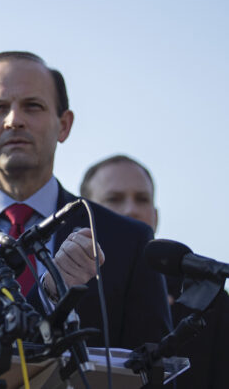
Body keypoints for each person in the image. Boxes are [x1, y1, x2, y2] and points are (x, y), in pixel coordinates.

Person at [0, 51, 172, 350]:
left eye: (32, 106)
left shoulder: (128, 240)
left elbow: (154, 369)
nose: (14, 120)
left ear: (64, 125)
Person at [81, 154, 229, 388]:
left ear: (156, 216)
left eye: (142, 199)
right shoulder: (67, 291)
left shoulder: (208, 301)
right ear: (85, 215)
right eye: (114, 199)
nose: (131, 210)